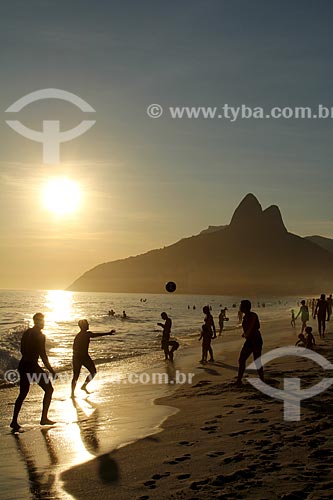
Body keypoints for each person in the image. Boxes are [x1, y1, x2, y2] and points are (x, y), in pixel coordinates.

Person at [10, 313, 56, 432]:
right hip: (32, 366)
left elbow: (22, 349)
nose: (44, 323)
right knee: (49, 389)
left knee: (23, 393)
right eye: (43, 320)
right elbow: (43, 356)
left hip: (23, 364)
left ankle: (14, 421)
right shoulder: (40, 335)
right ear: (39, 321)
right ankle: (44, 418)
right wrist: (51, 371)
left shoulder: (26, 332)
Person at [71, 319, 115, 398]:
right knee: (78, 375)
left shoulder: (81, 335)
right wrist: (108, 333)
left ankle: (80, 389)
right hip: (79, 357)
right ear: (83, 326)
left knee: (91, 372)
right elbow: (96, 335)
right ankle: (73, 393)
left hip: (81, 356)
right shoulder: (86, 334)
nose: (88, 325)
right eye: (87, 324)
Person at [236, 300, 264, 386]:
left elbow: (253, 326)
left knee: (256, 360)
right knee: (242, 359)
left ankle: (262, 379)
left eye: (241, 306)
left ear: (245, 307)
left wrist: (247, 333)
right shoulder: (245, 316)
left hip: (256, 339)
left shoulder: (252, 315)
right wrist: (245, 333)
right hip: (250, 340)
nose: (240, 307)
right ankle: (239, 380)